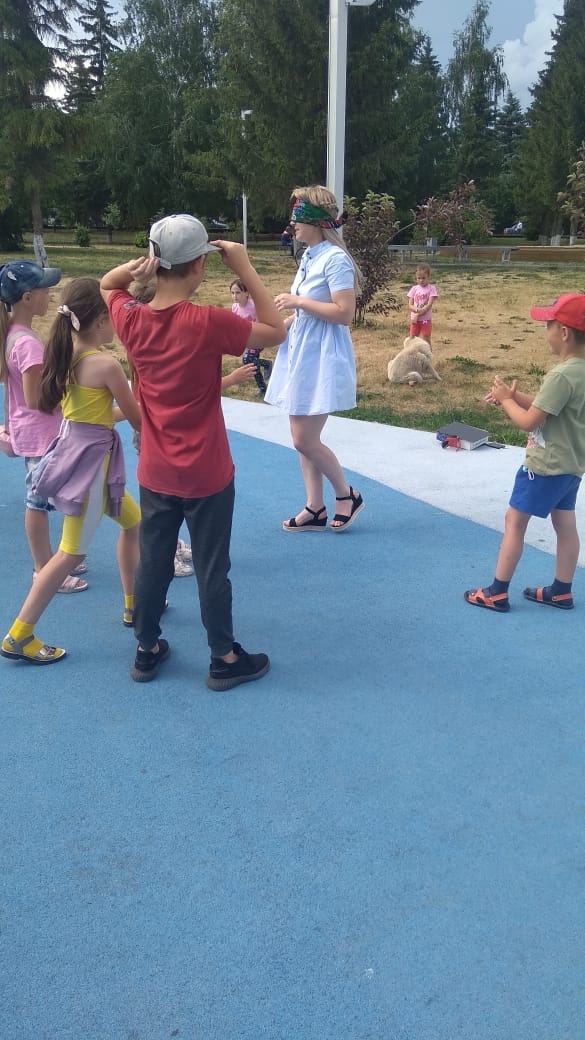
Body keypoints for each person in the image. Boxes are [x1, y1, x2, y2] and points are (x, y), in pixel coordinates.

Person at [99, 213, 286, 686]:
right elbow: (275, 330)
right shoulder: (208, 322)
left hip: (156, 471)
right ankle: (223, 658)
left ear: (155, 261)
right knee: (211, 567)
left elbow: (107, 284)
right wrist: (244, 267)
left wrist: (136, 269)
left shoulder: (131, 318)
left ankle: (146, 649)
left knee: (153, 562)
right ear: (200, 265)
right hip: (207, 473)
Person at [1, 277, 141, 665]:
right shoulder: (105, 364)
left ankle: (134, 603)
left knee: (133, 522)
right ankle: (18, 635)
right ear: (99, 321)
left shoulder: (66, 355)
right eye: (113, 317)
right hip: (91, 468)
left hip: (83, 457)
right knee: (69, 553)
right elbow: (136, 417)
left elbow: (96, 416)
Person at [464, 293, 585, 613]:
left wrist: (507, 401)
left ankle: (497, 592)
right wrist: (516, 396)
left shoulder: (561, 375)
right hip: (571, 466)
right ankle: (561, 591)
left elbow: (530, 421)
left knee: (514, 521)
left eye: (548, 326)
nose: (546, 333)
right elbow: (552, 406)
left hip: (543, 466)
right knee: (565, 526)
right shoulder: (580, 372)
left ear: (564, 332)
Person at [264, 184, 365, 532]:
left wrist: (298, 303)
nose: (292, 224)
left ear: (317, 221)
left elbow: (344, 313)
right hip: (303, 350)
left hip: (322, 354)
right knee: (301, 437)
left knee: (303, 439)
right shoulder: (310, 255)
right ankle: (315, 507)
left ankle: (347, 494)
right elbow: (308, 309)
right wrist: (287, 324)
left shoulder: (335, 259)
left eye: (298, 217)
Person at [0, 260, 88, 592]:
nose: (49, 295)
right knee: (37, 502)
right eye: (44, 290)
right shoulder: (27, 344)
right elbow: (36, 398)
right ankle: (43, 568)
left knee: (63, 493)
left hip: (33, 431)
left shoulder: (13, 334)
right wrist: (68, 393)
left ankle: (61, 557)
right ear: (27, 297)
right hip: (42, 435)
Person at [230, 278, 272, 394]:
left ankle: (267, 364)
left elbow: (262, 321)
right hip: (248, 340)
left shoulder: (254, 306)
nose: (235, 296)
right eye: (232, 293)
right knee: (252, 364)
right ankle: (262, 388)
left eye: (238, 293)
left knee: (247, 359)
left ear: (247, 293)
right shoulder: (234, 307)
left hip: (259, 338)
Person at [407, 264, 438, 345]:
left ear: (428, 277)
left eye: (423, 278)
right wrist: (416, 310)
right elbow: (410, 305)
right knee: (412, 338)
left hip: (425, 319)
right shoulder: (414, 289)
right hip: (414, 320)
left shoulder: (431, 289)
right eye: (419, 278)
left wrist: (417, 315)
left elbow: (428, 305)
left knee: (426, 339)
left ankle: (428, 353)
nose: (421, 280)